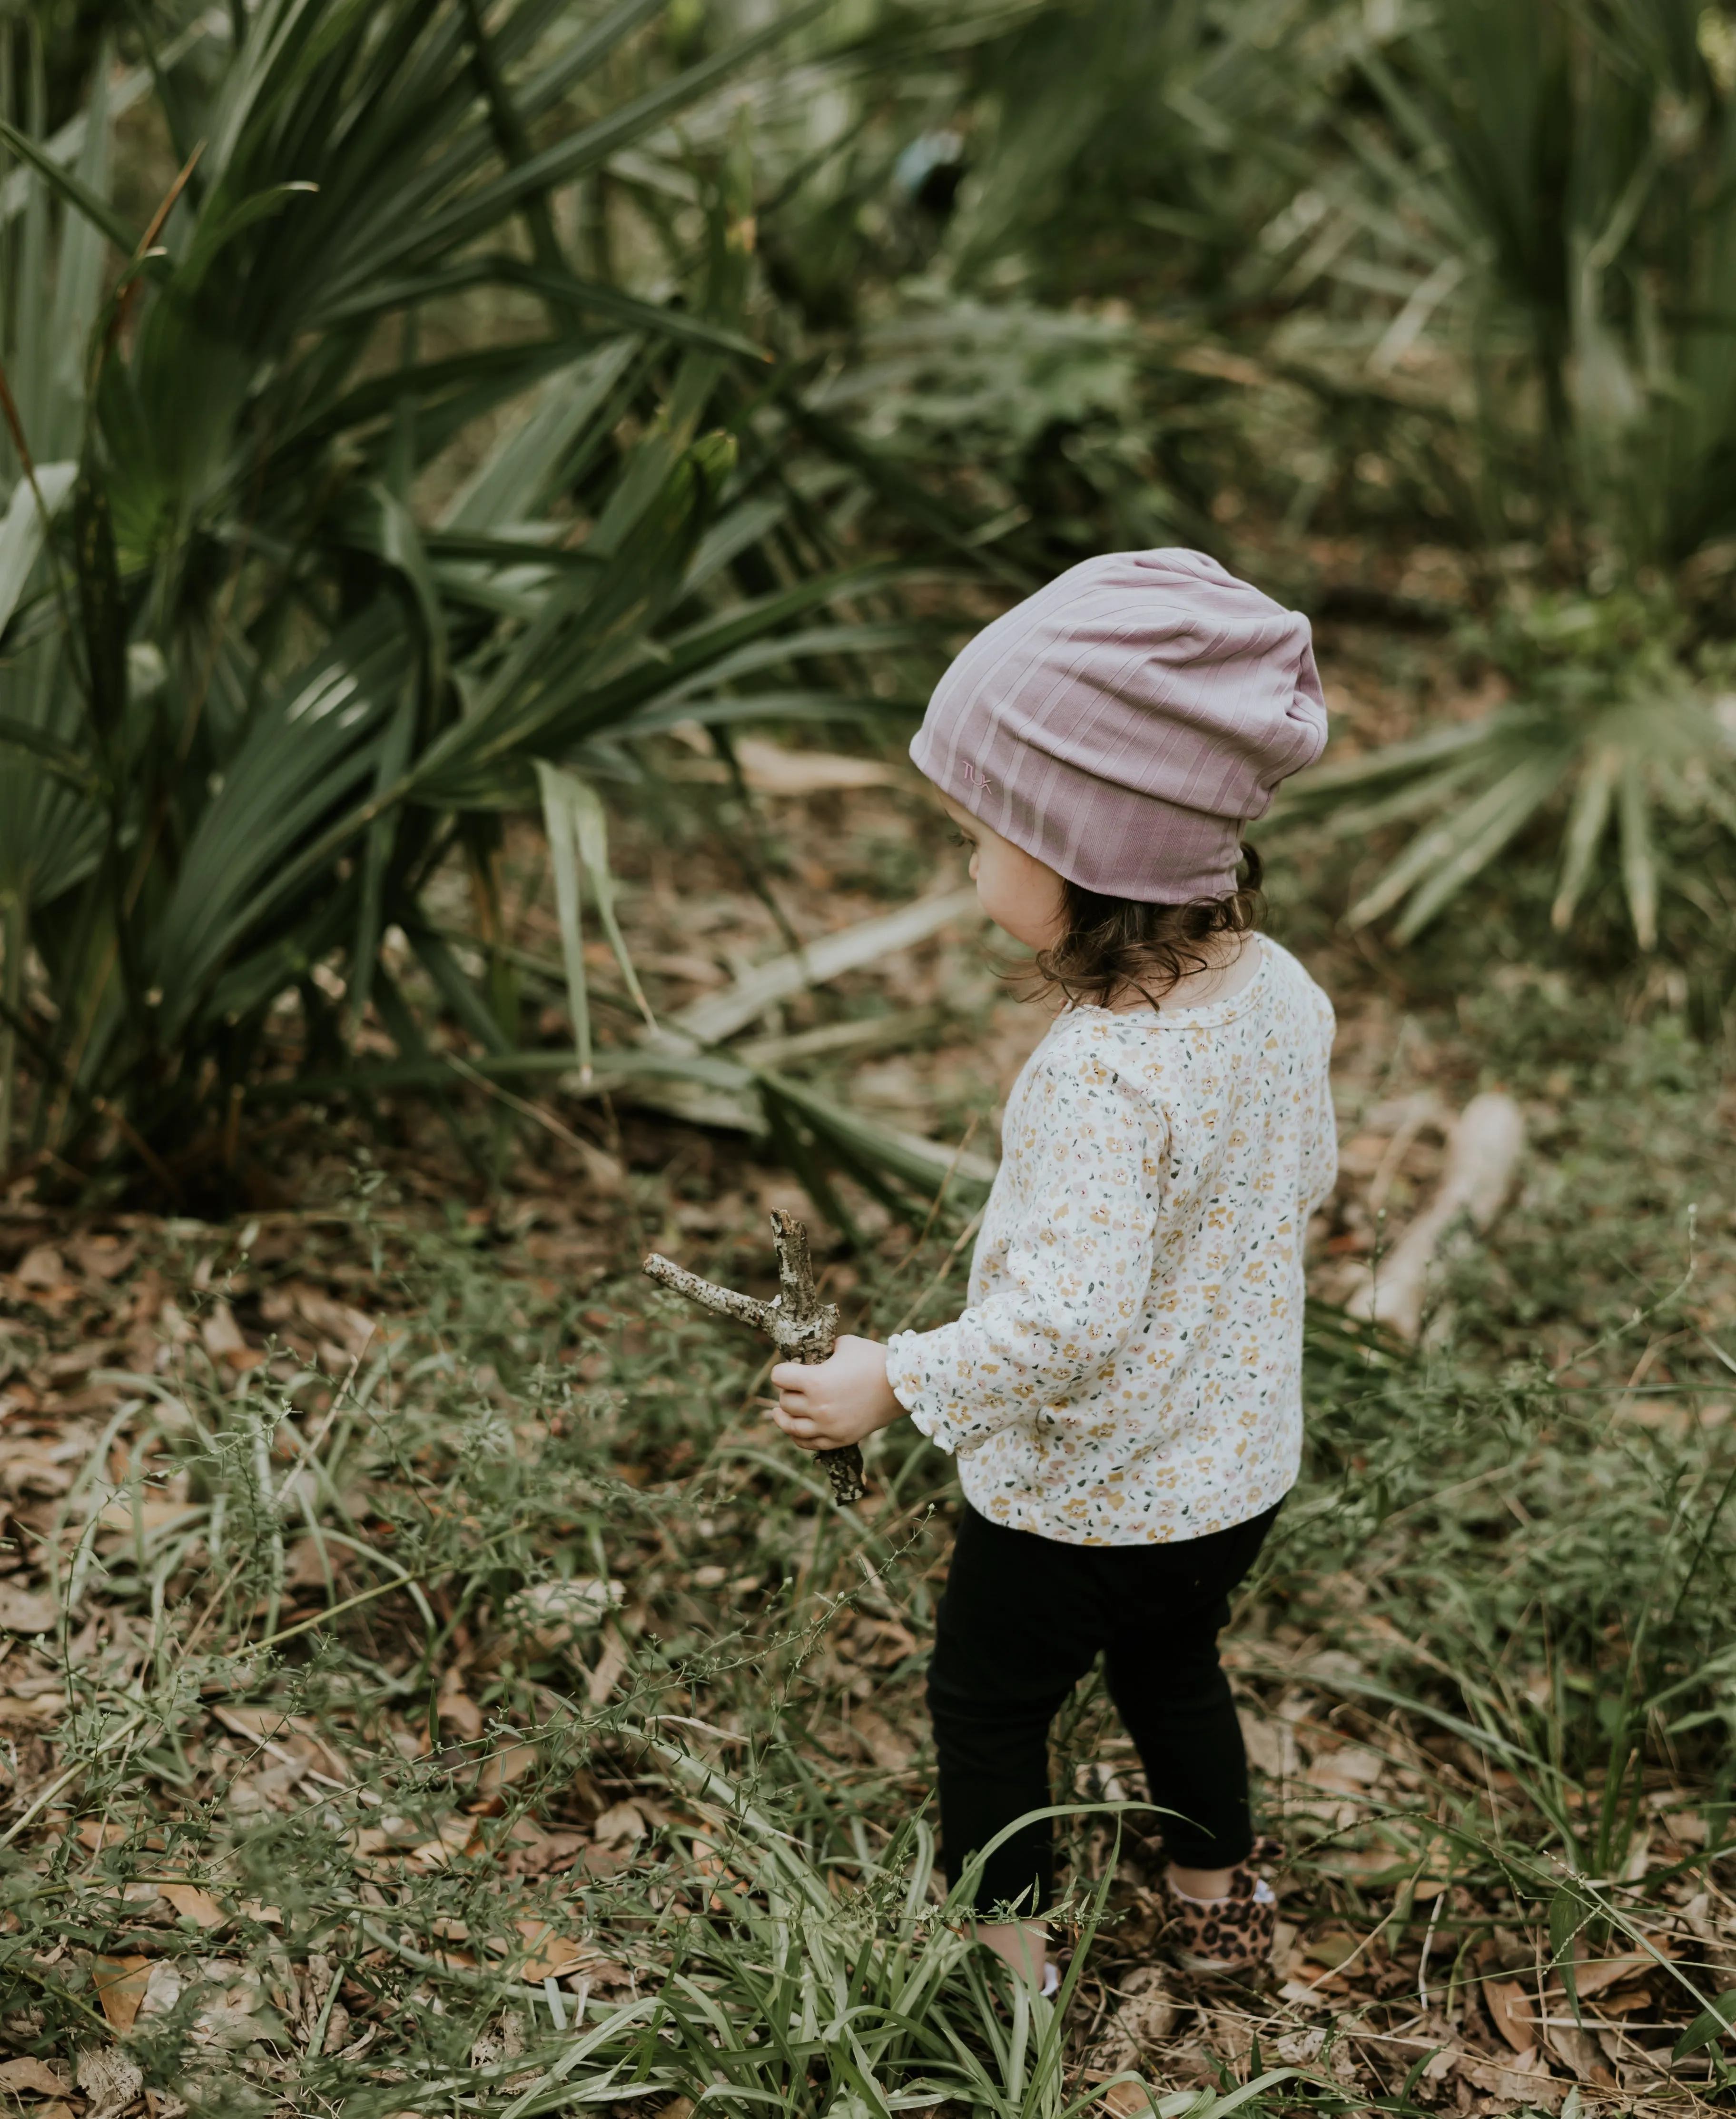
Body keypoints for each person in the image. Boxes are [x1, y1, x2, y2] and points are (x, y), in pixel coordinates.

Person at [769, 549, 1338, 1988]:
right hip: (1230, 1473)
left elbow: (1068, 1324)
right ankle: (1217, 1905)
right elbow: (1306, 1180)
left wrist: (890, 1378)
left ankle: (1008, 1975)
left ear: (1087, 848)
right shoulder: (1278, 989)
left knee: (988, 1707)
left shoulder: (1101, 1075)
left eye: (979, 832)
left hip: (1079, 1506)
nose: (963, 862)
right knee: (1174, 1668)